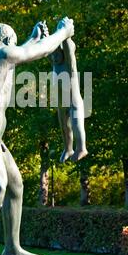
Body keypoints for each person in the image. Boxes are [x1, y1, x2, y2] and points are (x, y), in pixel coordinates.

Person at [0, 17, 74, 255]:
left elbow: (22, 51)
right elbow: (33, 52)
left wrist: (34, 37)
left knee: (15, 186)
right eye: (13, 45)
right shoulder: (0, 53)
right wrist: (62, 33)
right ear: (6, 41)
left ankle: (12, 247)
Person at [40, 24, 87, 163]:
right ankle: (68, 148)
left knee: (76, 124)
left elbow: (69, 50)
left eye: (57, 55)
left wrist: (65, 34)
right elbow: (47, 49)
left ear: (62, 53)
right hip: (62, 103)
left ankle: (81, 148)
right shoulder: (55, 63)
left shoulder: (68, 63)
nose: (54, 58)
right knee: (64, 126)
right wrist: (45, 34)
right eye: (53, 56)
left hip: (74, 101)